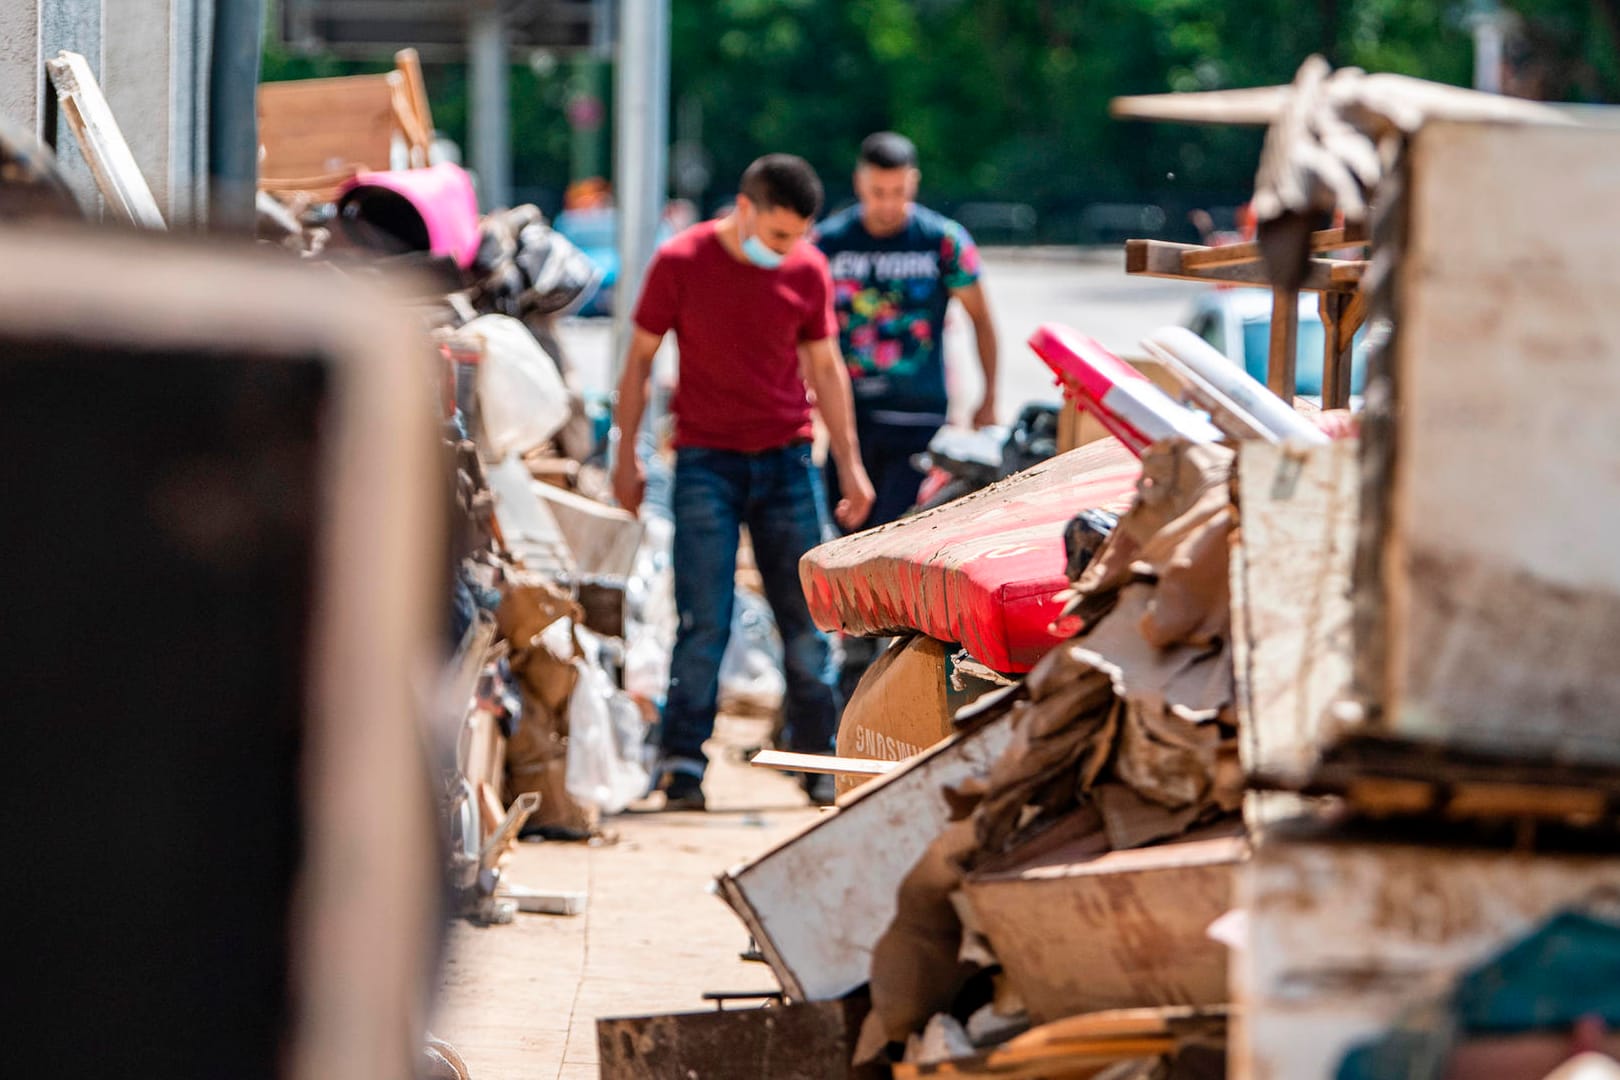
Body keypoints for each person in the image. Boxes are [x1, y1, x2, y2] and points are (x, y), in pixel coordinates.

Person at [611, 154, 876, 811]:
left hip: (787, 463)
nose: (789, 250)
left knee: (808, 621)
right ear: (745, 208)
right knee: (705, 620)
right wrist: (626, 455)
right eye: (780, 235)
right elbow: (639, 361)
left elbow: (826, 367)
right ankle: (682, 768)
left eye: (799, 238)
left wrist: (849, 463)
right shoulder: (681, 261)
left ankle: (816, 761)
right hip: (705, 462)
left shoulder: (808, 268)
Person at [814, 131, 999, 532]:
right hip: (851, 419)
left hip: (921, 417)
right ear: (860, 181)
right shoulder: (828, 243)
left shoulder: (942, 241)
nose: (887, 202)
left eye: (898, 190)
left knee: (898, 533)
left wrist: (989, 397)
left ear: (913, 181)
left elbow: (982, 319)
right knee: (844, 536)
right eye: (878, 191)